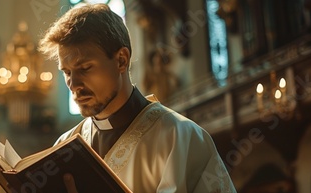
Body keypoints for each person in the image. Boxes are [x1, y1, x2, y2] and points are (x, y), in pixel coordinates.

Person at [38, 3, 237, 193]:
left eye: (85, 68)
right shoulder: (65, 147)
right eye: (66, 72)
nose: (74, 84)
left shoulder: (181, 137)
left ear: (121, 60)